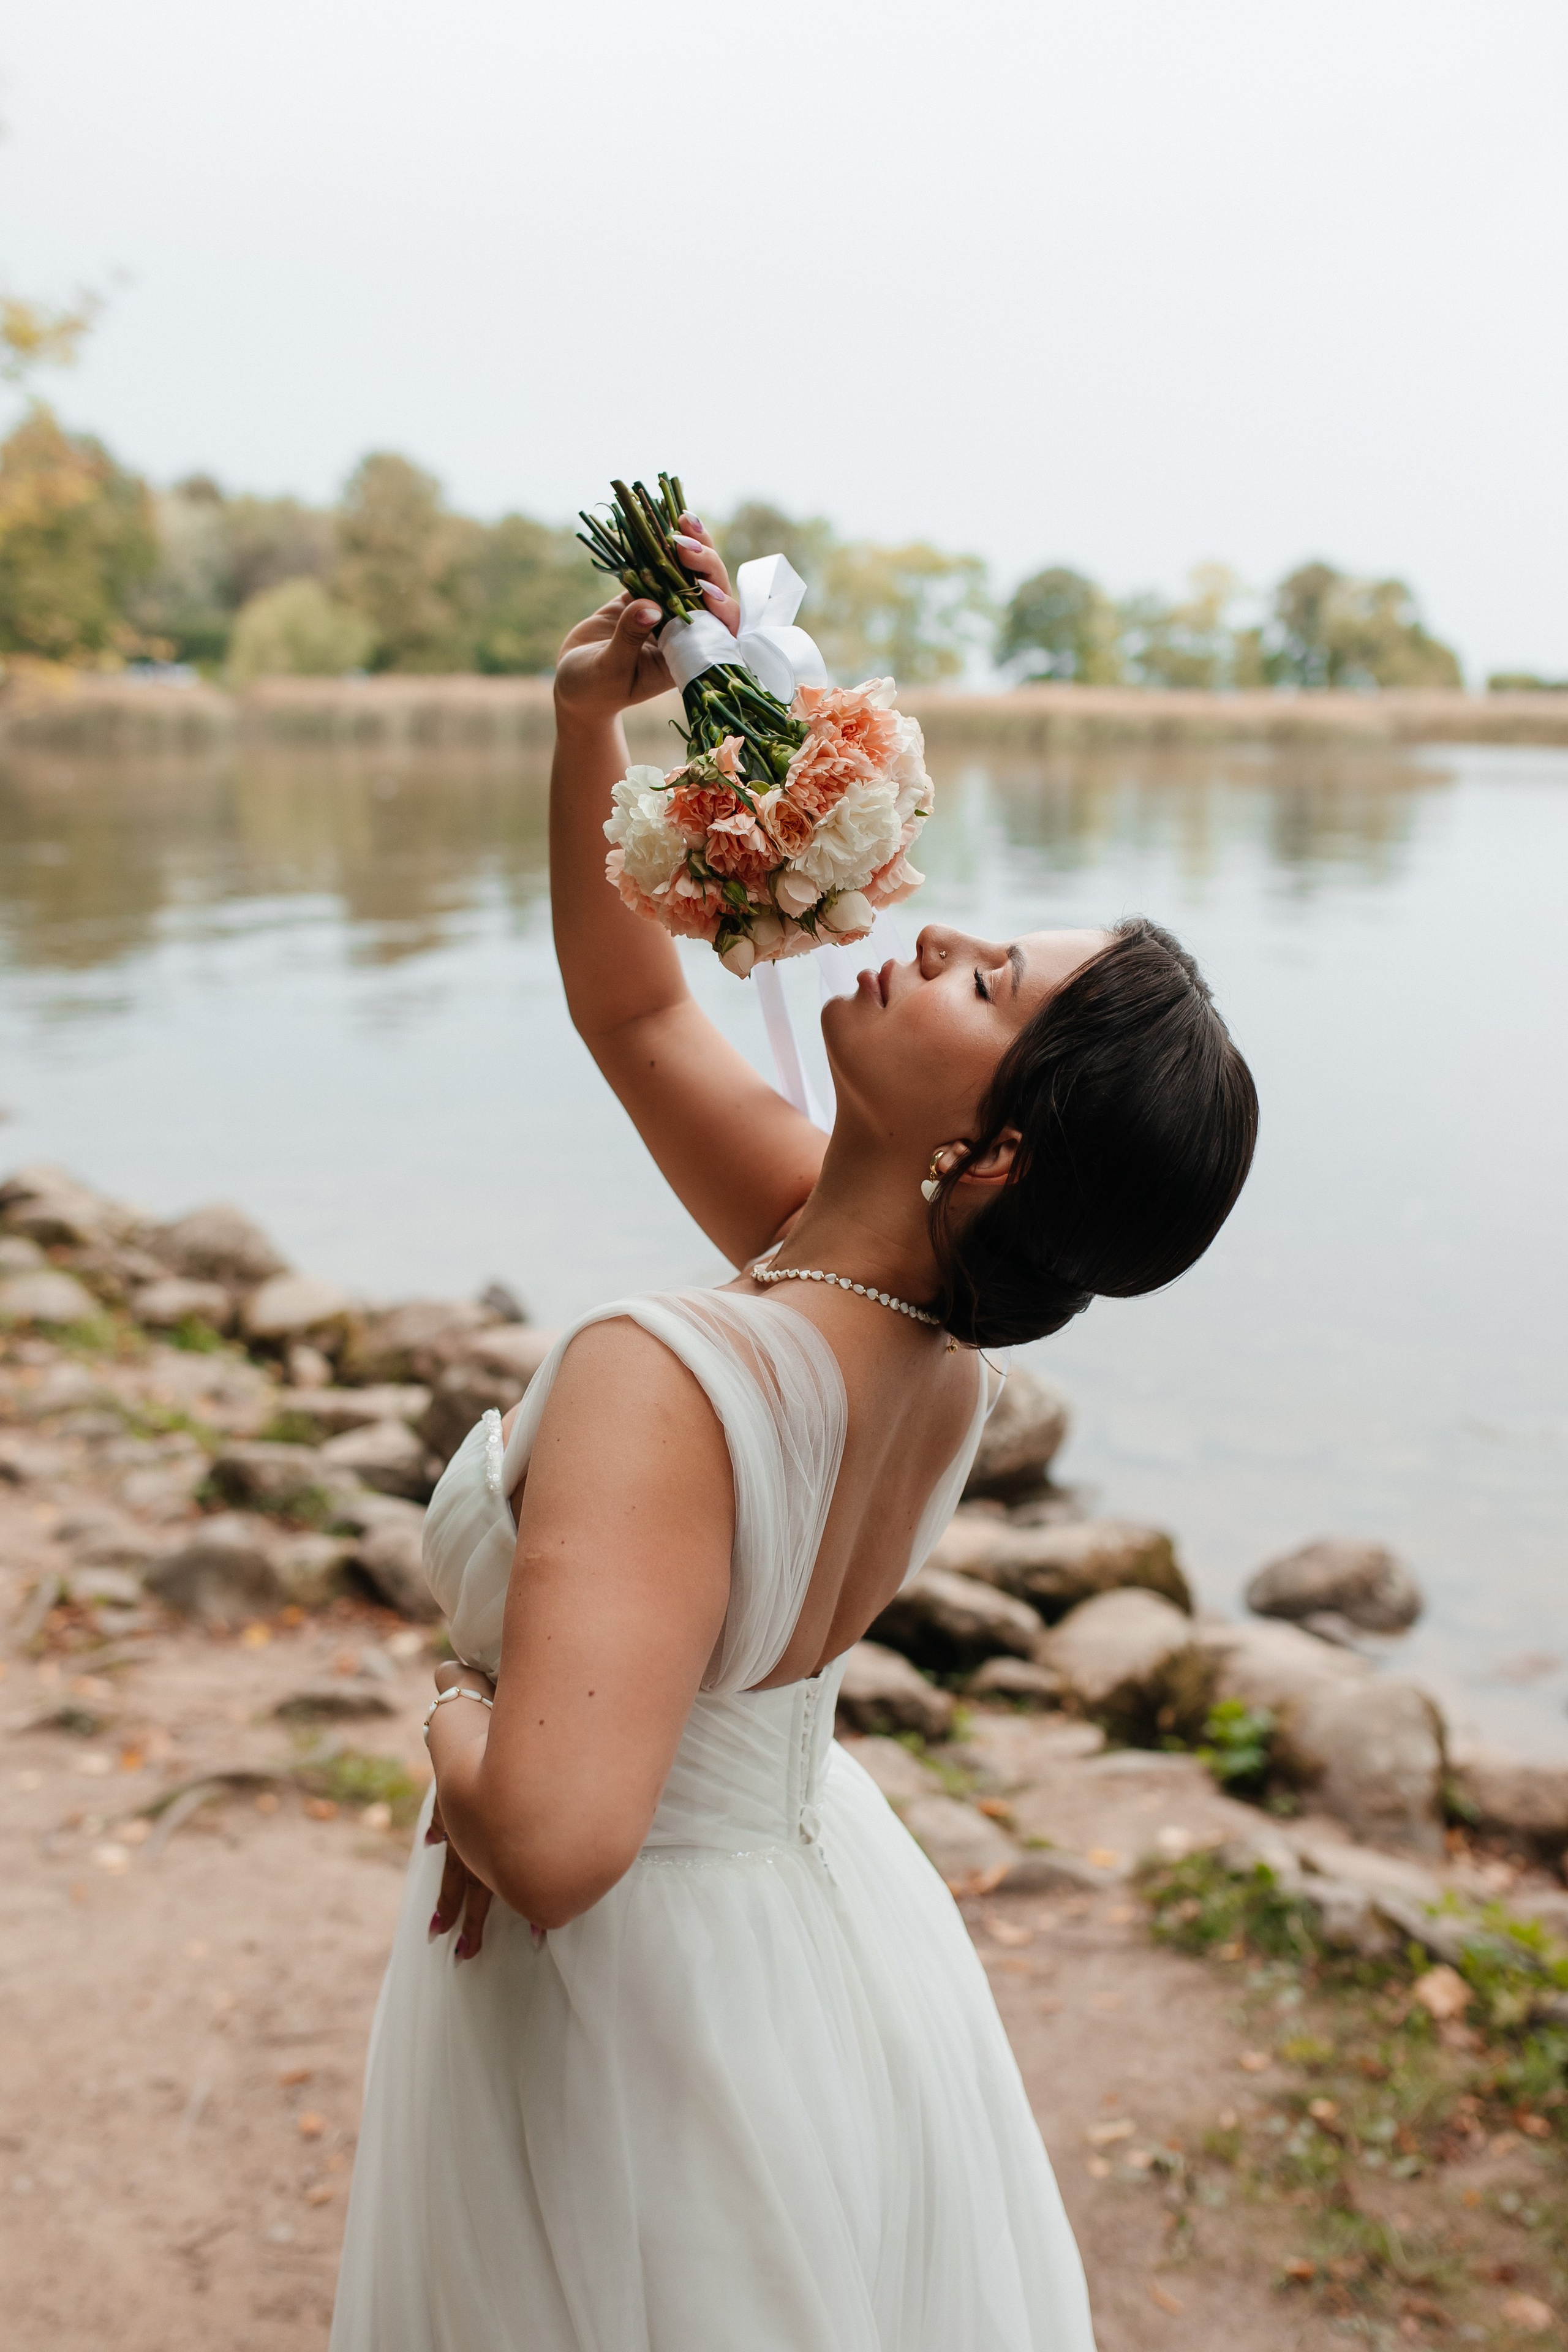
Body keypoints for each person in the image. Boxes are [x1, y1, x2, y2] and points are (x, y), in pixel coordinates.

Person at [328, 522, 1259, 2352]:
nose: (950, 938)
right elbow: (632, 1010)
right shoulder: (927, 1343)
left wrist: (454, 1711)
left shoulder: (668, 1376)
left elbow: (562, 1839)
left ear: (987, 1159)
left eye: (992, 986)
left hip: (640, 2009)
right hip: (814, 1940)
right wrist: (604, 721)